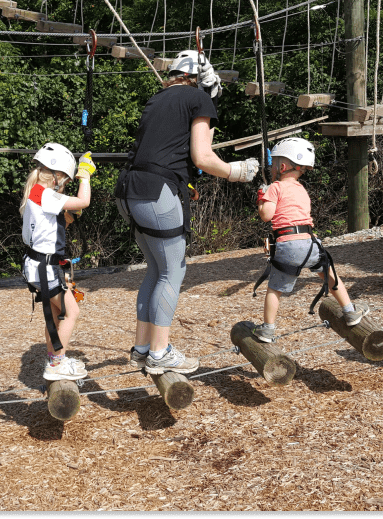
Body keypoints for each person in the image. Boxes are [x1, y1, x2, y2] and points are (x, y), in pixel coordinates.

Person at [114, 49, 259, 375]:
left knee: (155, 269)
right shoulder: (198, 98)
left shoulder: (158, 98)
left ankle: (142, 348)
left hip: (128, 191)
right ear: (203, 80)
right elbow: (203, 157)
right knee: (172, 272)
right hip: (156, 192)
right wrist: (238, 171)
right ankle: (160, 352)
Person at [252, 137, 369, 343]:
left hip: (287, 243)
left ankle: (268, 329)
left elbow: (266, 215)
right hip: (310, 243)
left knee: (275, 288)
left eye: (274, 163)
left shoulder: (275, 188)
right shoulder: (301, 189)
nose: (271, 167)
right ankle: (350, 311)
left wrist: (262, 197)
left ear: (283, 166)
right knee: (329, 274)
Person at [20, 143, 96, 381]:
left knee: (55, 315)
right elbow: (84, 201)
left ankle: (54, 356)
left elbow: (51, 226)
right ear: (57, 176)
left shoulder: (34, 193)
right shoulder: (46, 194)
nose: (66, 185)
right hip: (46, 268)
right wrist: (85, 176)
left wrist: (68, 217)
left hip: (37, 265)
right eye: (67, 179)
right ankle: (56, 363)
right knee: (72, 312)